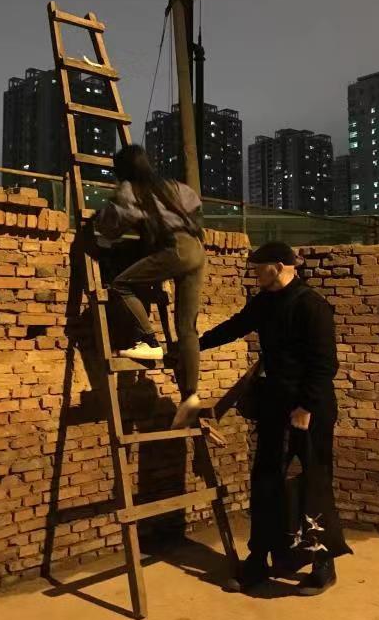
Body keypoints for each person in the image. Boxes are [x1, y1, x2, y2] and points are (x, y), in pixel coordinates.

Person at [198, 241, 352, 594]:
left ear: (280, 266)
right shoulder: (265, 302)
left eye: (259, 268)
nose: (255, 274)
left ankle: (323, 565)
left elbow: (325, 364)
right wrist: (193, 345)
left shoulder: (311, 305)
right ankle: (258, 561)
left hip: (310, 411)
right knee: (266, 482)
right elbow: (234, 326)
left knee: (314, 484)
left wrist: (305, 408)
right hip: (274, 407)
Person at [95, 144, 205, 429]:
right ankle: (190, 395)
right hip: (196, 250)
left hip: (175, 250)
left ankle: (149, 341)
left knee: (120, 285)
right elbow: (196, 210)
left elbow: (109, 227)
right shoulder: (173, 186)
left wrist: (101, 217)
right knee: (187, 329)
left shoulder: (130, 190)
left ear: (122, 170)